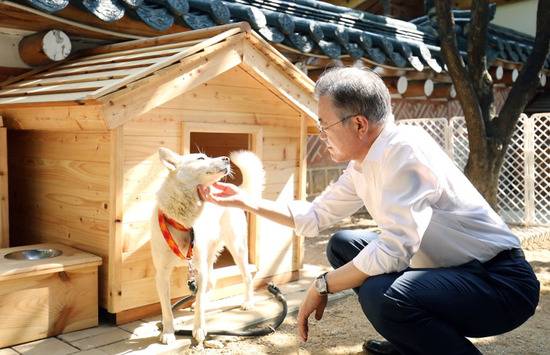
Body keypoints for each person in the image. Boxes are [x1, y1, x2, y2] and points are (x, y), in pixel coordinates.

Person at [197, 67, 539, 355]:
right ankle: (412, 342)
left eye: (324, 124)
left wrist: (322, 284)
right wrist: (244, 200)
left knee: (384, 296)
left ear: (359, 124)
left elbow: (393, 249)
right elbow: (313, 217)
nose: (321, 134)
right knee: (344, 244)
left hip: (500, 284)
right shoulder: (364, 162)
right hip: (452, 270)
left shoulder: (403, 153)